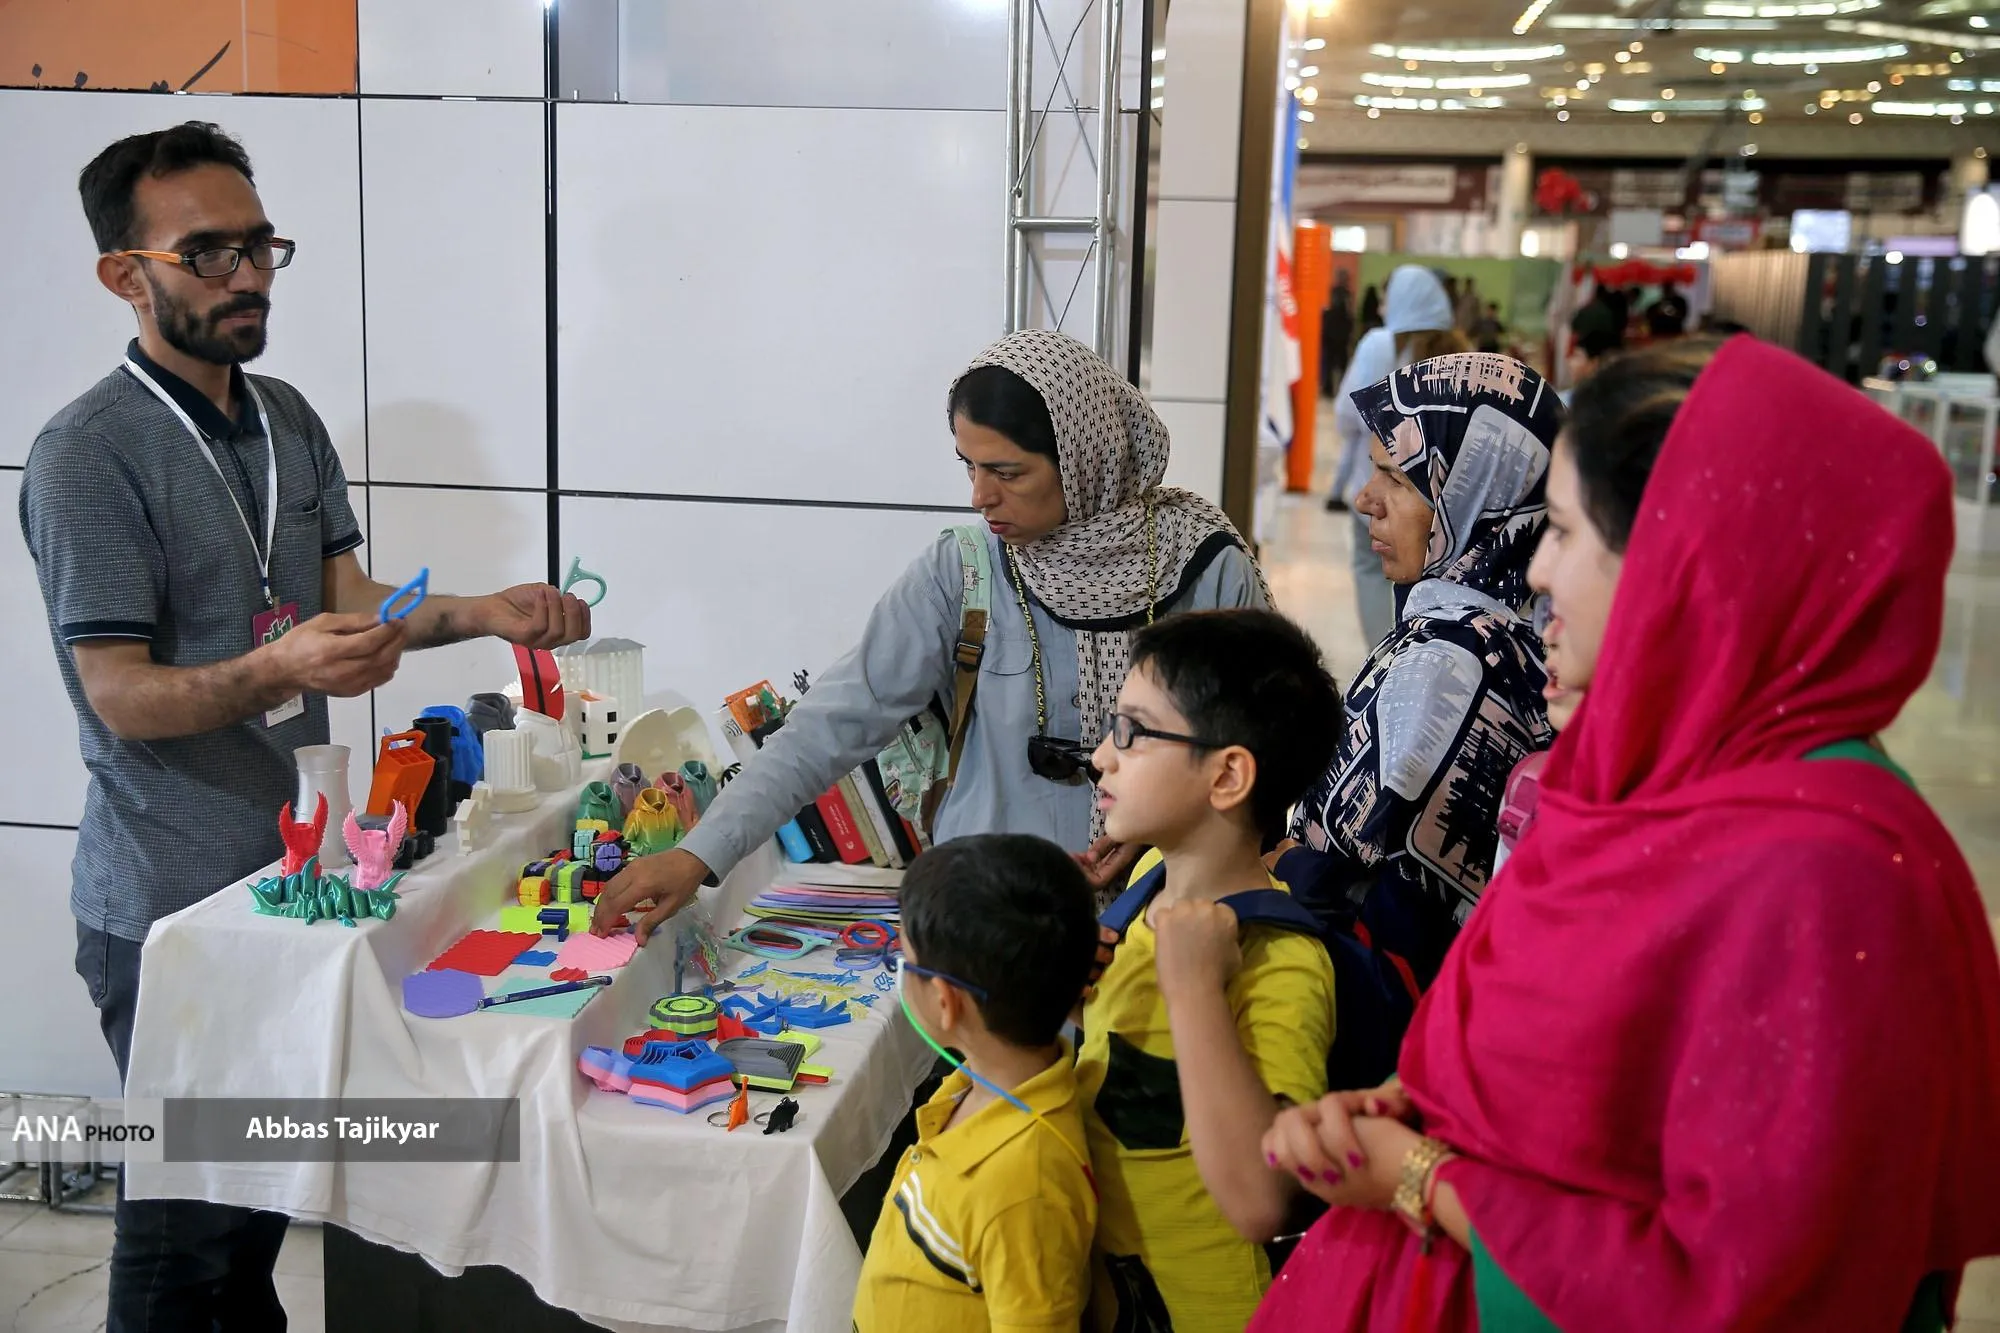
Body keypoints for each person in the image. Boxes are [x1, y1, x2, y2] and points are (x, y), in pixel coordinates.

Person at [1250, 335, 2000, 1331]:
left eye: (1562, 531)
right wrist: (1413, 1103)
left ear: (1684, 558)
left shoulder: (1829, 877)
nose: (1537, 568)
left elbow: (1745, 1287)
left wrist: (1422, 1175)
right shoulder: (1634, 774)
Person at [20, 121, 592, 1333]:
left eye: (261, 247)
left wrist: (480, 611)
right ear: (125, 274)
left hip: (291, 885)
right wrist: (276, 665)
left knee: (259, 1211)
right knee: (183, 1240)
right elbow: (118, 693)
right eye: (208, 254)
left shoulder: (284, 416)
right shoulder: (86, 454)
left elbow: (346, 598)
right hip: (172, 910)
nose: (248, 277)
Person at [593, 329, 1269, 940]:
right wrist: (699, 851)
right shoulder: (966, 571)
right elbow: (831, 722)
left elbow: (1268, 749)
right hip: (986, 930)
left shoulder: (1202, 568)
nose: (980, 496)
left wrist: (1163, 825)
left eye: (1007, 472)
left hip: (1171, 930)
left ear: (1082, 458)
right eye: (969, 466)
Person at [1078, 607, 1342, 1331]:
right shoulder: (1149, 881)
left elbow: (1263, 1201)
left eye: (1132, 732)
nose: (1101, 756)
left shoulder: (1280, 961)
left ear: (1227, 774)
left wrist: (1193, 989)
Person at [1281, 353, 1555, 994]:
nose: (1364, 500)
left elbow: (1359, 898)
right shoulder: (1510, 628)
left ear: (1473, 495)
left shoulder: (1446, 662)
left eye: (1397, 480)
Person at [852, 834, 1099, 1332]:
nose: (898, 971)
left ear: (946, 1003)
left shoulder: (1024, 1187)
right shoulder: (968, 1091)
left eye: (903, 962)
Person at [1323, 266, 1465, 652]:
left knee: (1371, 569)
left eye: (1387, 298)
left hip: (1378, 490)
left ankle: (1386, 654)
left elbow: (1346, 414)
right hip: (1437, 502)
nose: (1383, 306)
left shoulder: (1378, 344)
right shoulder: (1458, 353)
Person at [1319, 271, 1354, 397]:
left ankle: (1328, 389)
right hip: (1342, 336)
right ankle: (1342, 390)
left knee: (1329, 363)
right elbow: (1349, 315)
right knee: (1343, 364)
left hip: (1329, 334)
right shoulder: (1347, 295)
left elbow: (1325, 312)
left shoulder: (1331, 293)